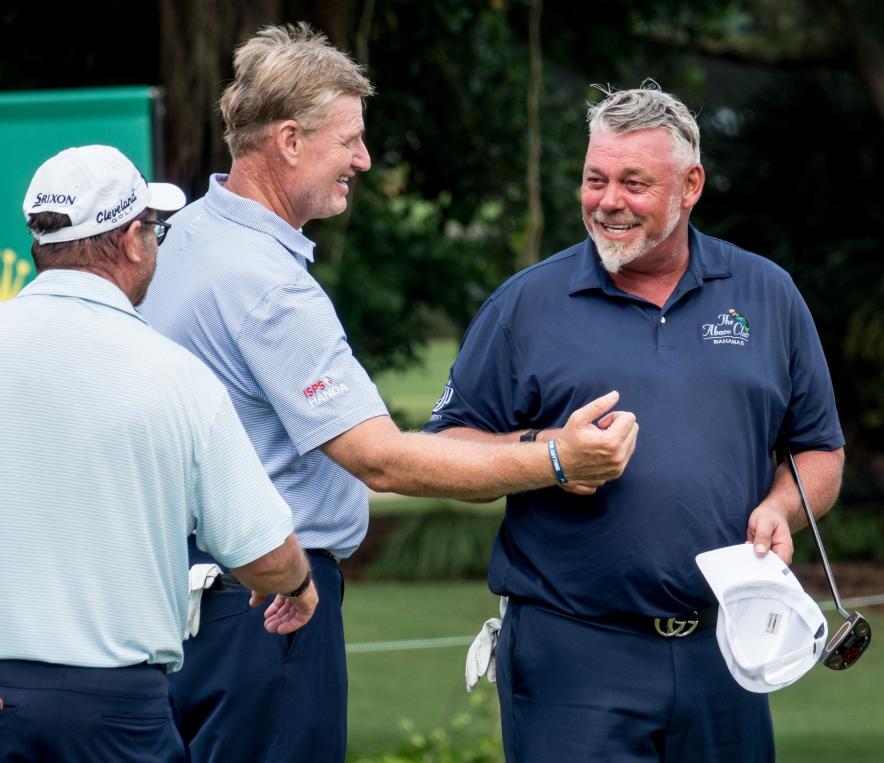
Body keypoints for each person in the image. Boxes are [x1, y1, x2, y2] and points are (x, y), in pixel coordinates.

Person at [138, 23, 638, 763]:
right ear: (289, 141)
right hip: (267, 610)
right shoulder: (269, 286)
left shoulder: (185, 233)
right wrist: (558, 459)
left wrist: (530, 443)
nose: (364, 161)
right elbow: (383, 461)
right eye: (351, 140)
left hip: (184, 602)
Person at [425, 81, 846, 762]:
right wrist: (550, 454)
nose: (608, 201)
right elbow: (444, 450)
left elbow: (819, 449)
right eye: (595, 179)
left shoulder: (767, 293)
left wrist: (781, 507)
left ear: (690, 185)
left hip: (726, 649)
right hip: (573, 653)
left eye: (633, 182)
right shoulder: (526, 304)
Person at [0, 145, 319, 763]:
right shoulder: (175, 374)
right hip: (119, 709)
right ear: (129, 241)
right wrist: (299, 585)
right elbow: (263, 553)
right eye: (154, 228)